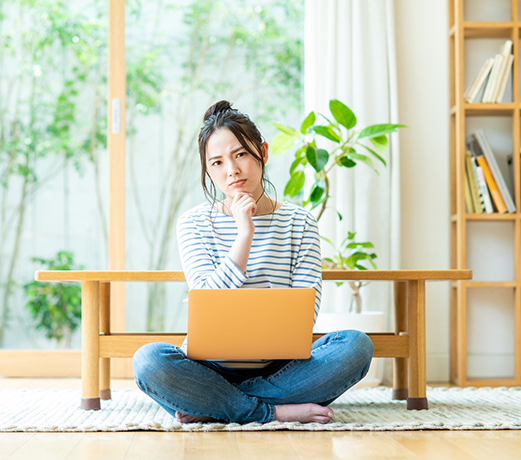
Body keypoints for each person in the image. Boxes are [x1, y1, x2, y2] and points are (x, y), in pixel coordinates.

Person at [132, 100, 374, 425]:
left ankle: (216, 405)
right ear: (207, 170)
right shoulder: (193, 223)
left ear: (263, 152)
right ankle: (272, 411)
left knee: (356, 346)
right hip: (209, 367)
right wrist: (244, 235)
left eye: (240, 154)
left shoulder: (299, 222)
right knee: (149, 362)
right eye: (216, 162)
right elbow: (208, 298)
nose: (231, 170)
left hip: (280, 368)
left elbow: (307, 312)